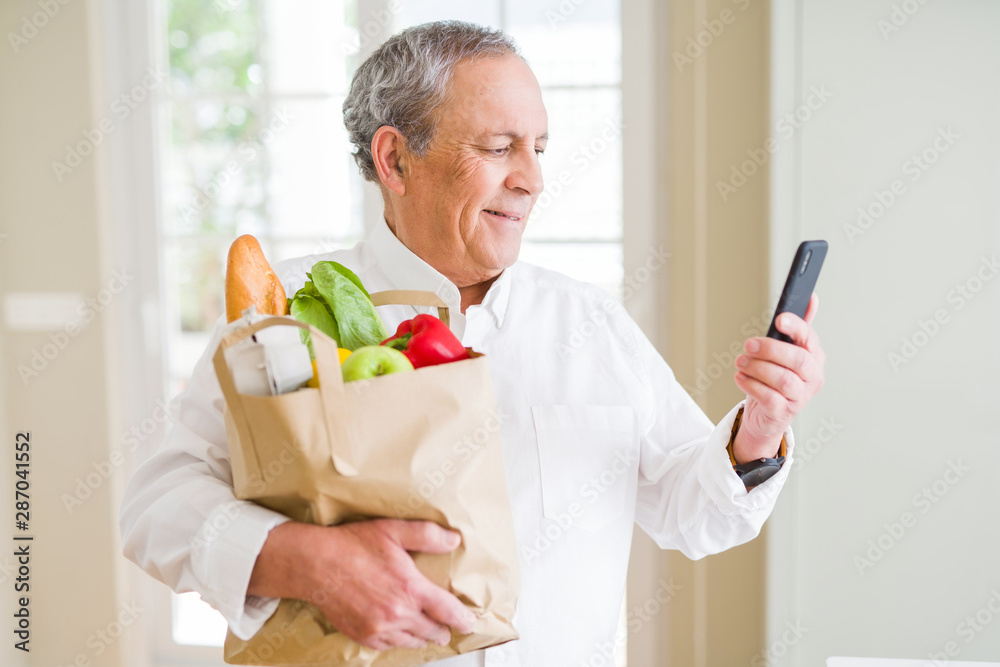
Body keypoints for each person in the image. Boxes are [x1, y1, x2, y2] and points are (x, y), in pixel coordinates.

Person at [119, 20, 825, 665]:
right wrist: (303, 559)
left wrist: (759, 428)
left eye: (539, 149)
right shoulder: (284, 313)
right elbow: (156, 507)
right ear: (395, 160)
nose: (533, 179)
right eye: (498, 148)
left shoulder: (593, 326)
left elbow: (692, 511)